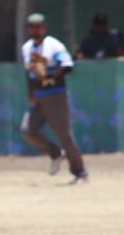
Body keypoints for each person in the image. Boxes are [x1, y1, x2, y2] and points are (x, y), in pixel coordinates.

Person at [19, 12, 88, 184]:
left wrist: (52, 77)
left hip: (56, 95)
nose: (36, 30)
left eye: (39, 27)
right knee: (28, 130)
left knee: (65, 135)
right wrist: (30, 91)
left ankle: (80, 172)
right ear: (28, 29)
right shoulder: (27, 48)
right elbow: (29, 72)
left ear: (44, 28)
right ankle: (55, 152)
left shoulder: (53, 46)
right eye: (32, 27)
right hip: (39, 97)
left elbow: (67, 66)